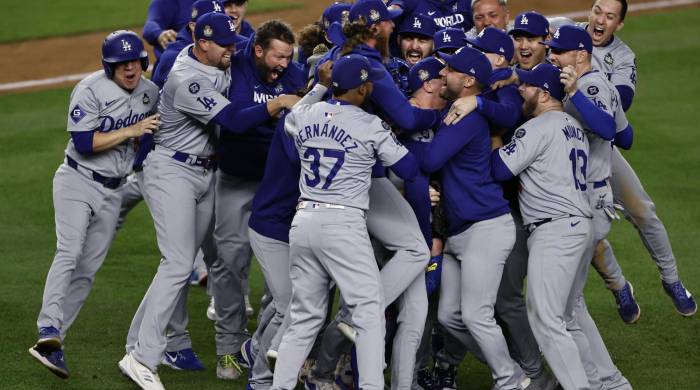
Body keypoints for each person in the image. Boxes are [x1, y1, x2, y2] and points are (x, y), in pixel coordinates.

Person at [118, 13, 298, 390]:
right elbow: (232, 120)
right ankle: (144, 358)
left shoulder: (218, 58)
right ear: (202, 44)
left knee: (176, 265)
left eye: (235, 43)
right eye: (225, 45)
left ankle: (135, 345)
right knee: (179, 262)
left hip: (204, 173)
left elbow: (258, 51)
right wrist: (277, 103)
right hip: (171, 171)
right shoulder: (188, 78)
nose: (234, 51)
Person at [272, 53, 419, 390]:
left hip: (304, 220)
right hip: (342, 223)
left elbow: (290, 119)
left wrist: (318, 87)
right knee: (368, 312)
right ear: (364, 88)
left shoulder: (305, 115)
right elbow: (408, 169)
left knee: (304, 317)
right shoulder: (369, 125)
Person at [29, 30, 160, 380]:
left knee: (87, 270)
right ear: (109, 66)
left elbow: (149, 139)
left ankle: (54, 344)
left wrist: (139, 153)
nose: (130, 70)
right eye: (122, 65)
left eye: (135, 62)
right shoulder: (90, 90)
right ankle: (46, 328)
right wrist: (130, 133)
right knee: (69, 251)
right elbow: (85, 143)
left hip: (114, 191)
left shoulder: (150, 93)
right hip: (78, 181)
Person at [421, 46, 528, 390]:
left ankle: (509, 379)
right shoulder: (460, 112)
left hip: (485, 227)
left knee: (476, 314)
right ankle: (510, 365)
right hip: (459, 232)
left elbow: (431, 160)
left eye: (449, 69)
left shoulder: (467, 117)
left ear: (468, 81)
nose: (441, 74)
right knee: (449, 315)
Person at [586, 0, 697, 318]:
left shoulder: (622, 57)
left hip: (601, 146)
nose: (600, 20)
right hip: (562, 154)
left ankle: (672, 280)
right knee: (587, 232)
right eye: (597, 10)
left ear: (618, 24)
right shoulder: (565, 32)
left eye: (609, 16)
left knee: (643, 211)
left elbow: (622, 103)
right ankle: (619, 287)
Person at [211, 18, 307, 380]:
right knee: (230, 263)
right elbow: (234, 121)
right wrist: (276, 106)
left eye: (288, 57)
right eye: (277, 57)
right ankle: (228, 349)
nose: (283, 65)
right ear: (258, 50)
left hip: (279, 187)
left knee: (279, 276)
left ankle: (260, 342)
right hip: (235, 181)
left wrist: (263, 117)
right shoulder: (236, 68)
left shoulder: (297, 75)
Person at [491, 63, 595, 390]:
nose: (521, 90)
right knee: (563, 320)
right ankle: (598, 381)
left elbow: (500, 169)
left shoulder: (539, 126)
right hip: (579, 227)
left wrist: (494, 136)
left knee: (546, 322)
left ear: (544, 93)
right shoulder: (573, 126)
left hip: (556, 231)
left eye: (528, 86)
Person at [547, 24, 633, 389]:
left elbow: (608, 130)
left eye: (559, 51)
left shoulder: (589, 85)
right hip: (591, 200)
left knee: (566, 308)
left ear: (580, 55)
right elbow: (627, 135)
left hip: (588, 203)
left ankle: (603, 382)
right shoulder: (599, 84)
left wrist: (574, 94)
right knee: (569, 303)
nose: (553, 55)